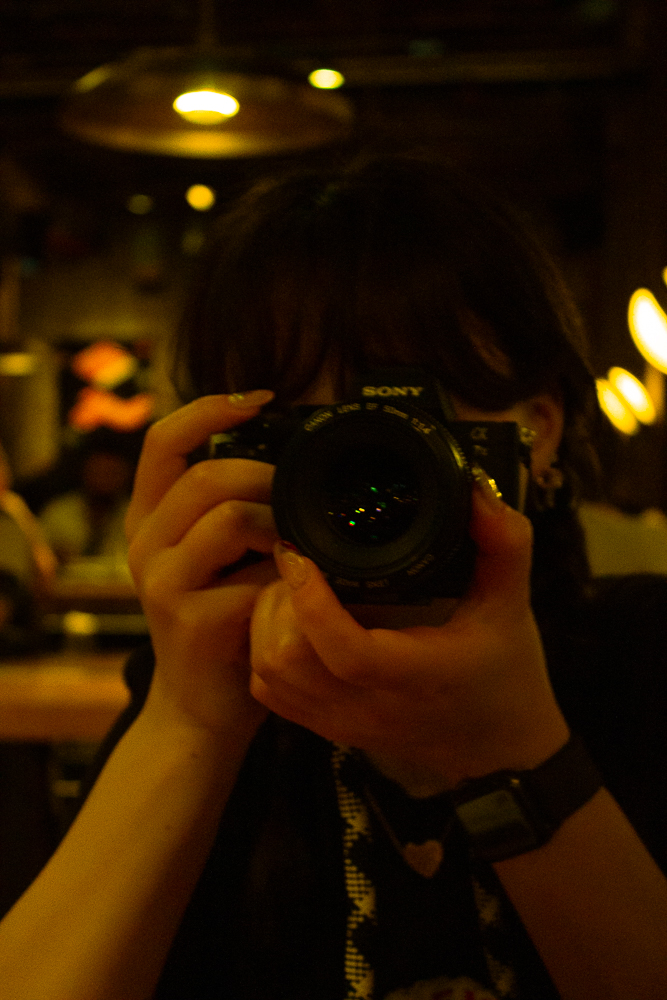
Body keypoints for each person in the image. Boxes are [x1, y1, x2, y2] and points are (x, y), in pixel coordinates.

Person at [0, 152, 666, 1000]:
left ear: (535, 433)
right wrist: (191, 718)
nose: (356, 473)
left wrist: (517, 750)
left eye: (403, 417)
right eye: (299, 429)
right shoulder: (210, 690)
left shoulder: (644, 658)